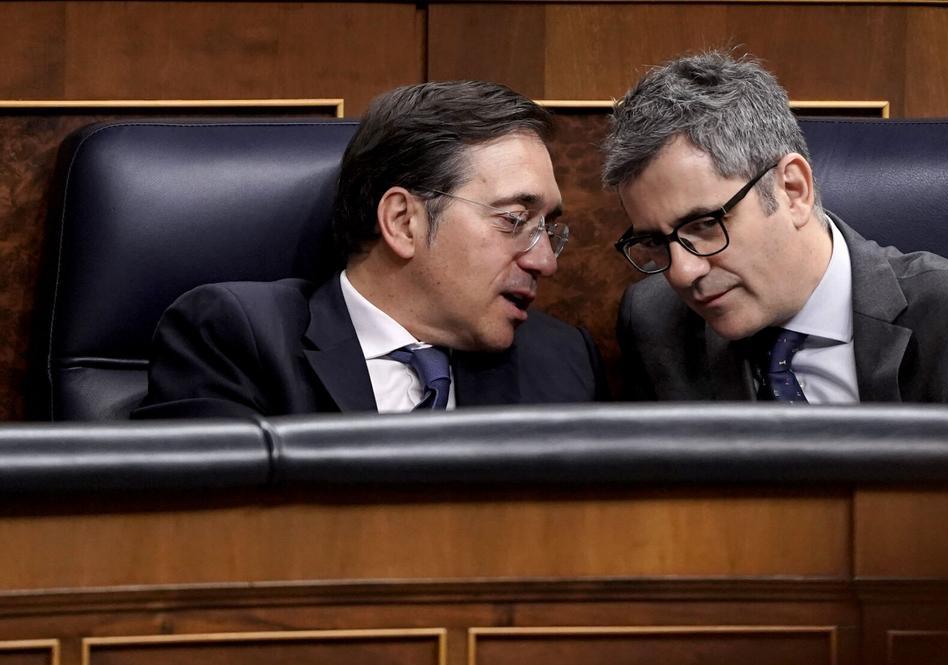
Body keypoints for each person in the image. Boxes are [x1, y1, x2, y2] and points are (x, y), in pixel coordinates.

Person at [604, 52, 948, 405]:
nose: (682, 272)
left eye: (705, 224)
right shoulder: (654, 322)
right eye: (655, 241)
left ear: (792, 189)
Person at [134, 81, 605, 419]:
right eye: (514, 220)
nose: (545, 261)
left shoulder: (560, 360)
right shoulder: (236, 338)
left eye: (548, 228)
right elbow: (200, 525)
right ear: (402, 221)